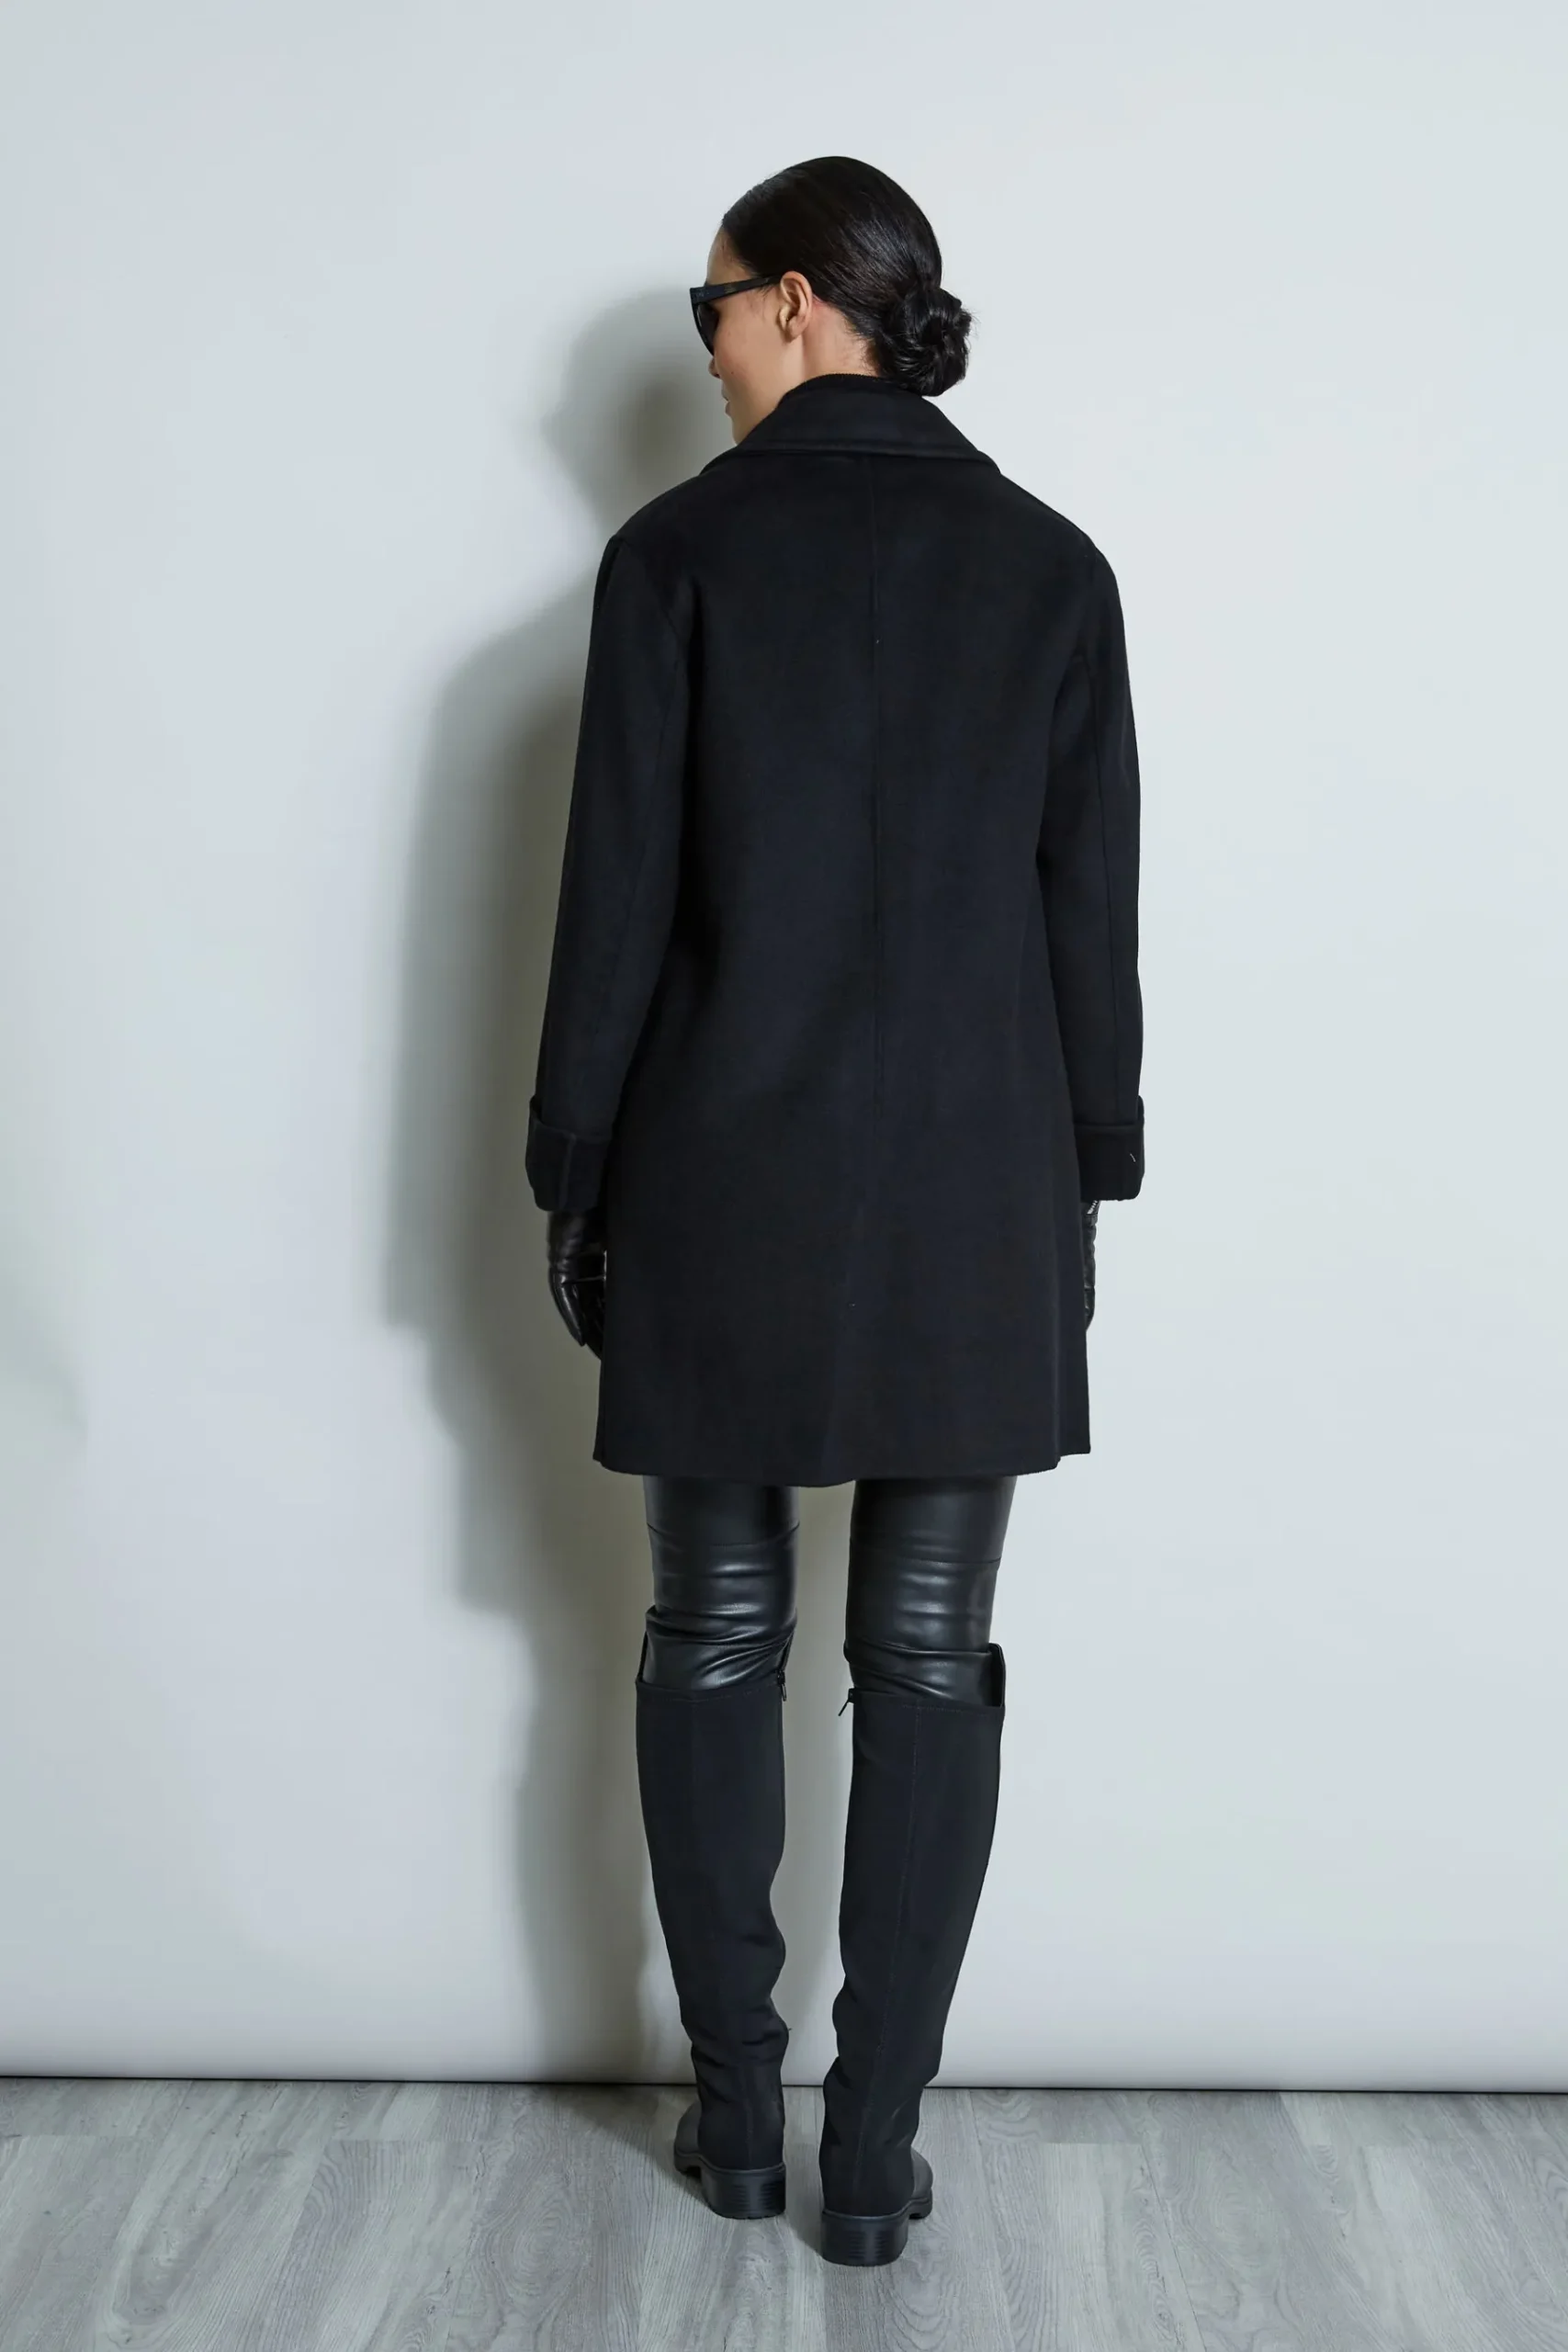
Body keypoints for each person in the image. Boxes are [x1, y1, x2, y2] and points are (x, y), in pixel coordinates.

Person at [525, 154, 1145, 2267]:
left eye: (708, 307)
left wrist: (572, 1166)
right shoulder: (1052, 571)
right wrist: (1092, 1166)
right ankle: (870, 2150)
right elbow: (1088, 920)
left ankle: (734, 2115)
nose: (701, 346)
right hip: (981, 1187)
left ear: (795, 301)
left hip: (722, 1171)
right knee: (930, 1652)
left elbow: (612, 911)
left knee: (713, 1625)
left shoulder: (674, 558)